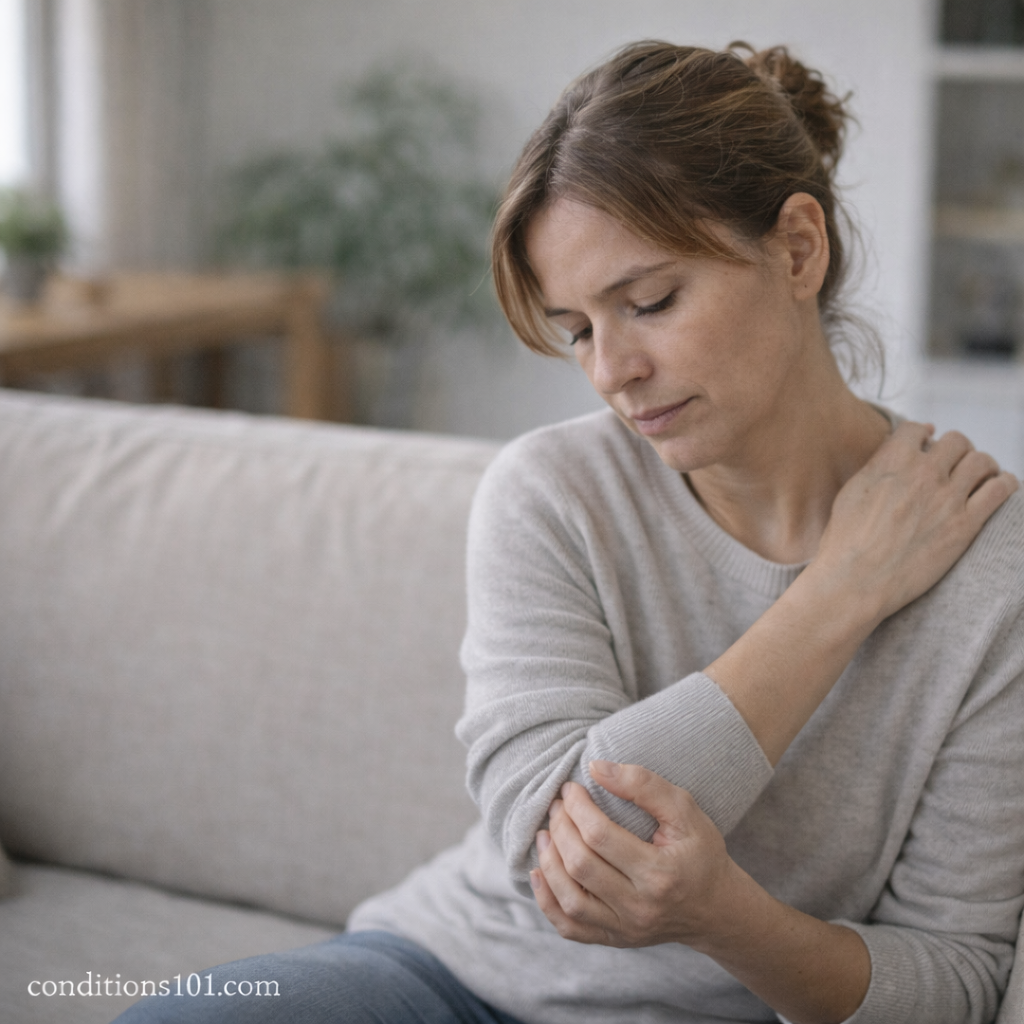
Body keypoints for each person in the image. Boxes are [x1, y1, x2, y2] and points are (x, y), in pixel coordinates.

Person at [116, 40, 1023, 1024]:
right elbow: (560, 852)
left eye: (649, 302)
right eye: (579, 329)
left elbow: (960, 980)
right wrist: (837, 597)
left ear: (798, 249)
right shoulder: (551, 493)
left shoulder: (988, 567)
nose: (610, 370)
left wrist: (729, 919)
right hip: (444, 980)